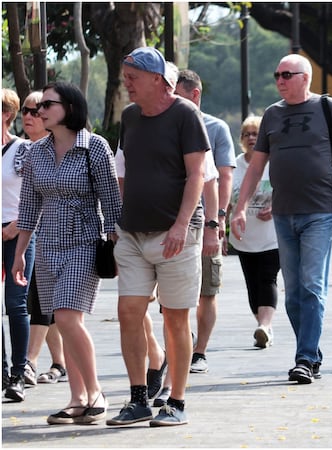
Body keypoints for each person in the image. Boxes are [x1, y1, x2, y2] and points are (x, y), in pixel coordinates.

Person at [230, 53, 332, 384]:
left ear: (305, 77)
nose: (280, 81)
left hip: (320, 212)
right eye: (277, 75)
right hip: (283, 215)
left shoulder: (328, 109)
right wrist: (240, 206)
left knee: (313, 286)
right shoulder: (272, 114)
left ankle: (303, 357)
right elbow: (256, 166)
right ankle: (311, 352)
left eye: (286, 75)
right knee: (294, 293)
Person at [107, 46, 211, 427]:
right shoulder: (130, 116)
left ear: (157, 80)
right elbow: (124, 171)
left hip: (175, 232)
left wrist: (183, 225)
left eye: (132, 78)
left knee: (175, 319)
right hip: (133, 231)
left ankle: (177, 402)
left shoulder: (186, 114)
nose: (127, 84)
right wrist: (118, 219)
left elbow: (197, 174)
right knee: (128, 313)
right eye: (125, 77)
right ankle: (138, 399)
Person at [11, 81, 122, 424]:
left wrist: (121, 247)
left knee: (68, 317)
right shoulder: (35, 153)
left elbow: (112, 202)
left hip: (84, 241)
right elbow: (29, 207)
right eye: (37, 106)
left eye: (47, 105)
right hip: (46, 246)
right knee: (63, 320)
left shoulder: (95, 147)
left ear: (69, 108)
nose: (39, 111)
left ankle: (96, 392)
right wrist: (19, 255)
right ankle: (77, 399)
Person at [174, 69, 236, 374]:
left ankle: (200, 351)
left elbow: (224, 175)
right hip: (171, 220)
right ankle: (180, 343)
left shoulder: (216, 128)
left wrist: (219, 219)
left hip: (205, 220)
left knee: (207, 290)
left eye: (176, 93)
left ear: (194, 94)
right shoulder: (163, 124)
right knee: (177, 292)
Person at [16, 90, 68, 387]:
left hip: (62, 239)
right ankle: (59, 363)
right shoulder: (23, 150)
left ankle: (29, 362)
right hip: (30, 237)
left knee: (44, 304)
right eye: (26, 110)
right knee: (48, 305)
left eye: (36, 110)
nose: (30, 115)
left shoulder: (66, 149)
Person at [229, 115, 280, 349]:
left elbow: (289, 190)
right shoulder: (234, 165)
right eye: (247, 134)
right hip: (244, 237)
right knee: (252, 285)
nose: (251, 138)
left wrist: (275, 206)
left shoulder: (275, 163)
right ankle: (264, 327)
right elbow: (227, 198)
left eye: (256, 134)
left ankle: (265, 326)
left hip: (272, 236)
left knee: (267, 278)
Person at [2, 88, 33, 402]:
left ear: (6, 115)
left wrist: (16, 226)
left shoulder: (23, 150)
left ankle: (18, 374)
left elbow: (34, 193)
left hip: (18, 231)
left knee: (15, 303)